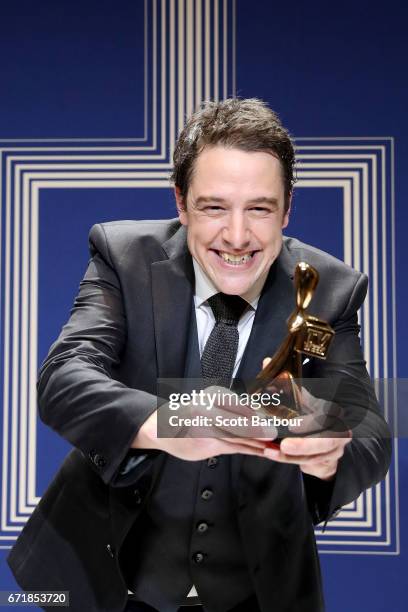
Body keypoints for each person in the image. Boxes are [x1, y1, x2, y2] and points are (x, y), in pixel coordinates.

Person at [8, 98, 391, 612]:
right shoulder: (122, 256)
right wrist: (167, 420)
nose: (237, 236)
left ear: (288, 208)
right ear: (181, 203)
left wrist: (328, 449)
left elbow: (368, 429)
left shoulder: (329, 290)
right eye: (213, 207)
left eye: (259, 208)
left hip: (258, 592)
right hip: (104, 580)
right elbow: (63, 377)